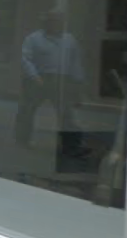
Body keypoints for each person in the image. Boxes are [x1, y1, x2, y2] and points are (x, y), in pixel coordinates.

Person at [17, 9, 87, 159]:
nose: (56, 24)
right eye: (53, 21)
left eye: (60, 21)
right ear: (46, 22)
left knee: (65, 113)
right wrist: (34, 76)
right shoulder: (33, 38)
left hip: (61, 80)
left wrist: (77, 82)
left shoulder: (70, 40)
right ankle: (22, 140)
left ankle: (71, 146)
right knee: (27, 110)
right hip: (38, 79)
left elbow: (75, 62)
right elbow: (26, 59)